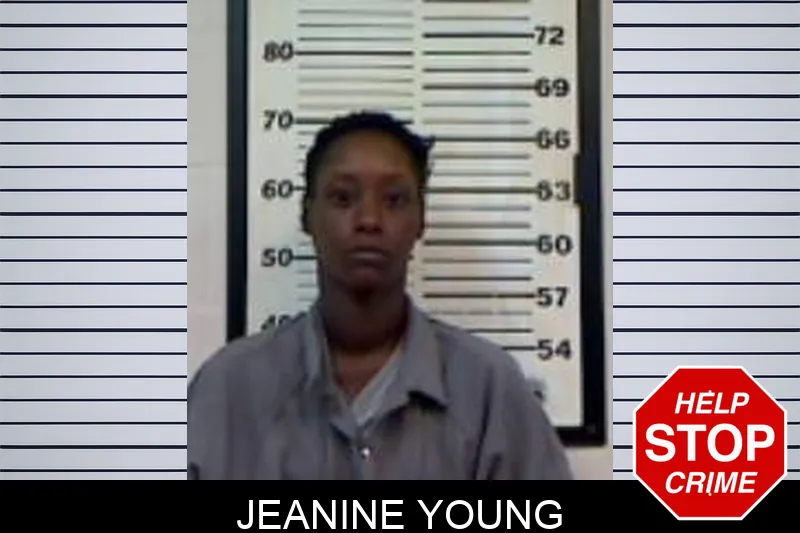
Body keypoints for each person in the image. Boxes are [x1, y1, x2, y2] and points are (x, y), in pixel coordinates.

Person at [187, 111, 572, 480]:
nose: (369, 220)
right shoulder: (228, 389)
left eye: (394, 200)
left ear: (421, 219)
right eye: (342, 198)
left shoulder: (488, 389)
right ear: (306, 215)